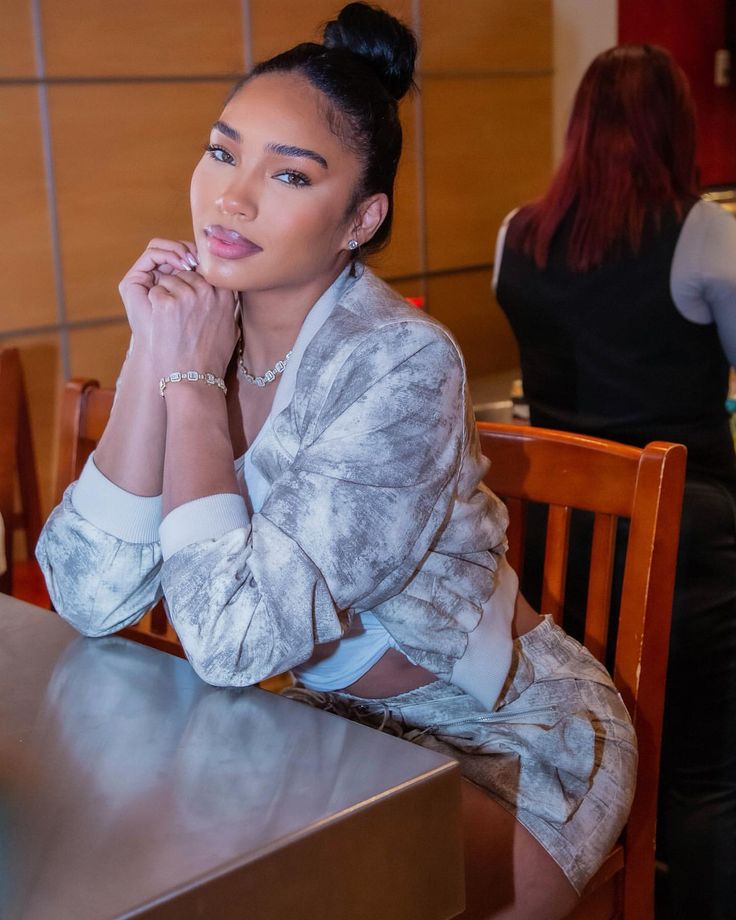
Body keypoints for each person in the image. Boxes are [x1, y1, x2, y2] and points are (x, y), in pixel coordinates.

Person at [36, 5, 636, 917]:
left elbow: (231, 643)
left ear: (362, 218)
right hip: (319, 728)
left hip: (501, 737)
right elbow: (84, 591)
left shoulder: (402, 363)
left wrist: (191, 384)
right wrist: (158, 353)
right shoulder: (205, 324)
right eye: (223, 152)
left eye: (289, 174)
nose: (231, 199)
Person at [493, 44, 736, 920]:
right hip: (683, 543)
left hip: (557, 544)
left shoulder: (517, 232)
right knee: (708, 774)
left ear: (580, 125)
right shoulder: (704, 229)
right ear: (674, 128)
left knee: (588, 736)